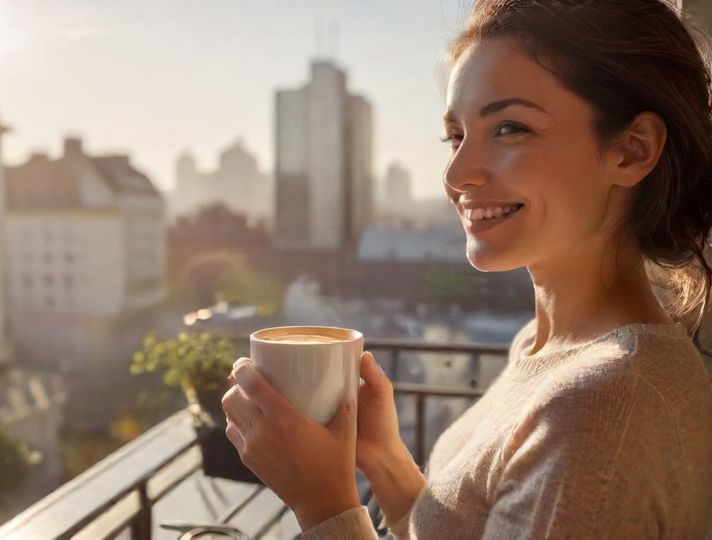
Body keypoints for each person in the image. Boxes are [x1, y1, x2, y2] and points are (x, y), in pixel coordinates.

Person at [221, 0, 712, 537]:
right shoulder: (543, 347)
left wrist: (322, 504)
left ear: (631, 150)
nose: (457, 174)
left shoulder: (598, 412)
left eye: (509, 128)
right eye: (456, 136)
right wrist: (382, 459)